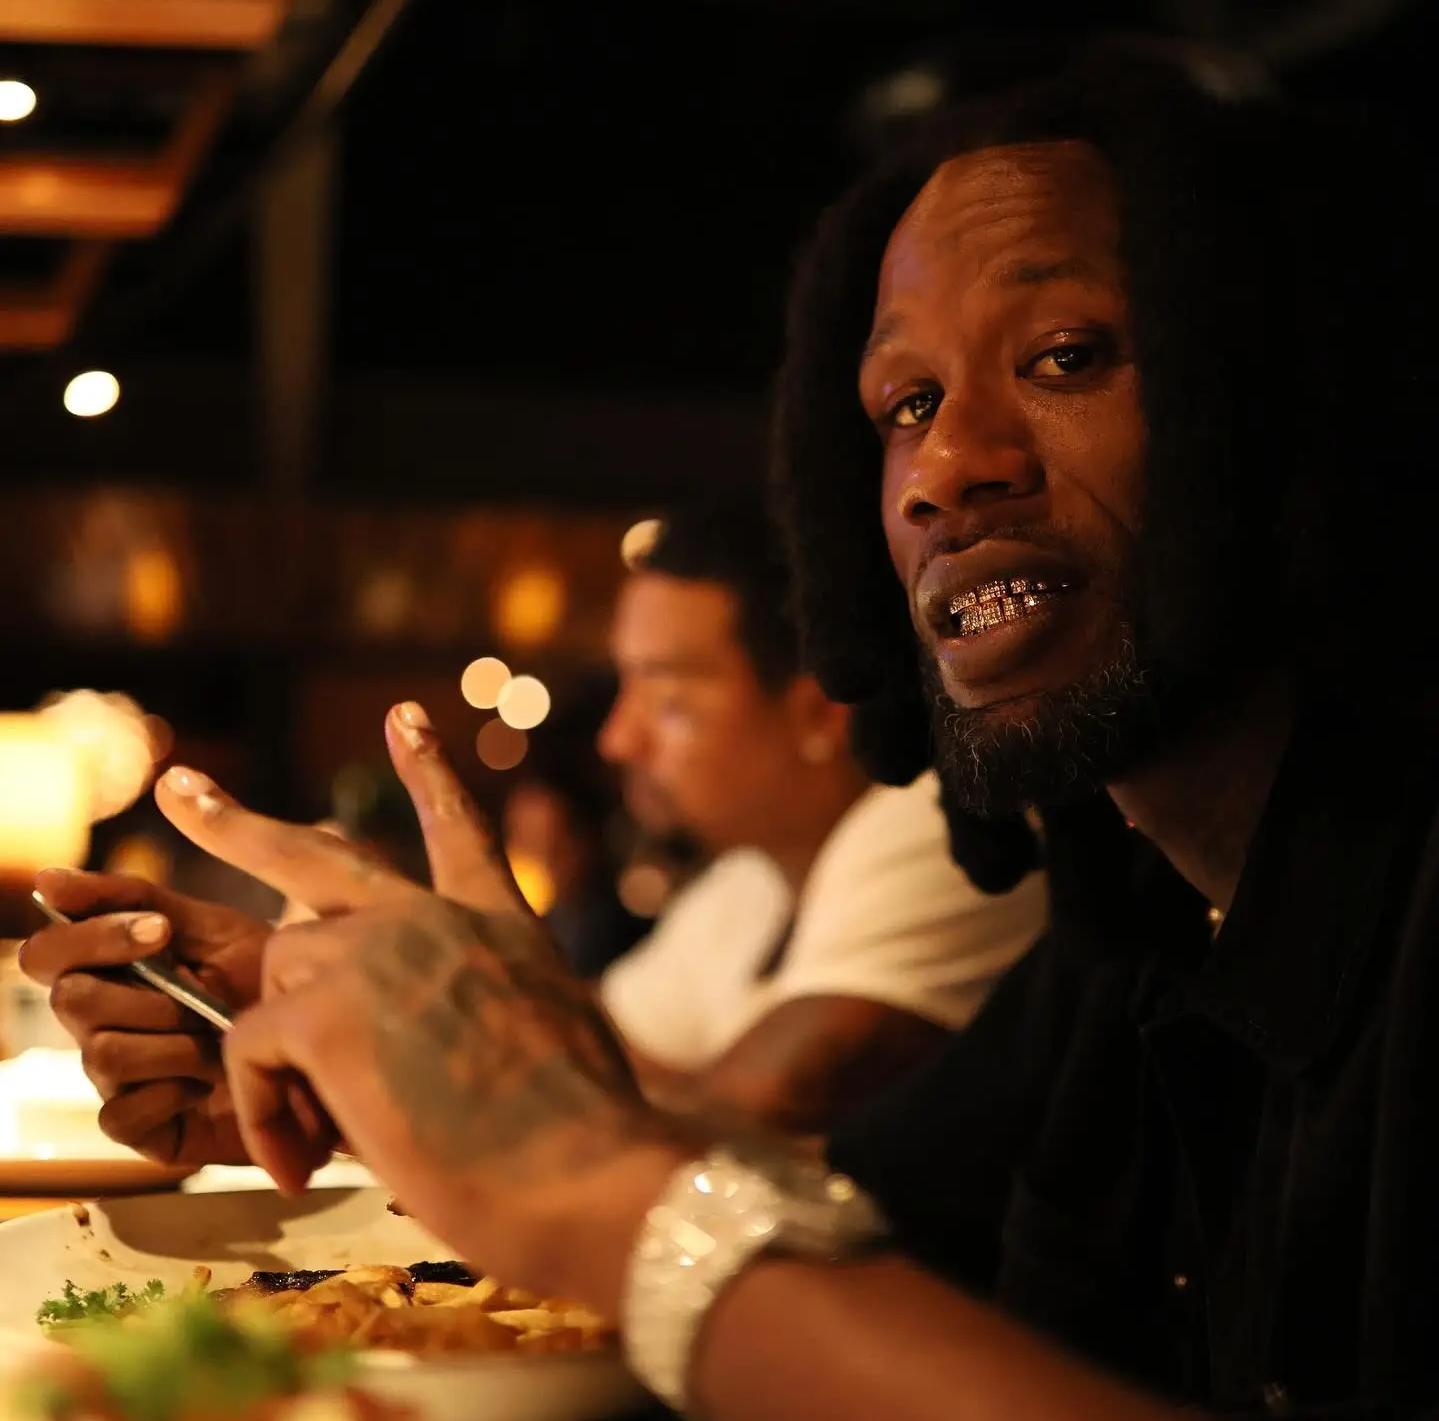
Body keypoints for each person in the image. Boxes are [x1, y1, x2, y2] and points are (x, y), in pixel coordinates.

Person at [21, 50, 1439, 1421]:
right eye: (906, 404)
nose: (946, 468)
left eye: (1064, 356)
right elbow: (837, 1213)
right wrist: (381, 1062)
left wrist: (582, 1174)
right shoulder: (1127, 926)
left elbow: (742, 1221)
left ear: (1285, 397)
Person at [595, 501, 1047, 1126]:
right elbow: (583, 1052)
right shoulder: (749, 885)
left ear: (819, 714)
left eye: (669, 700)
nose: (617, 740)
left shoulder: (944, 827)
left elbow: (751, 1116)